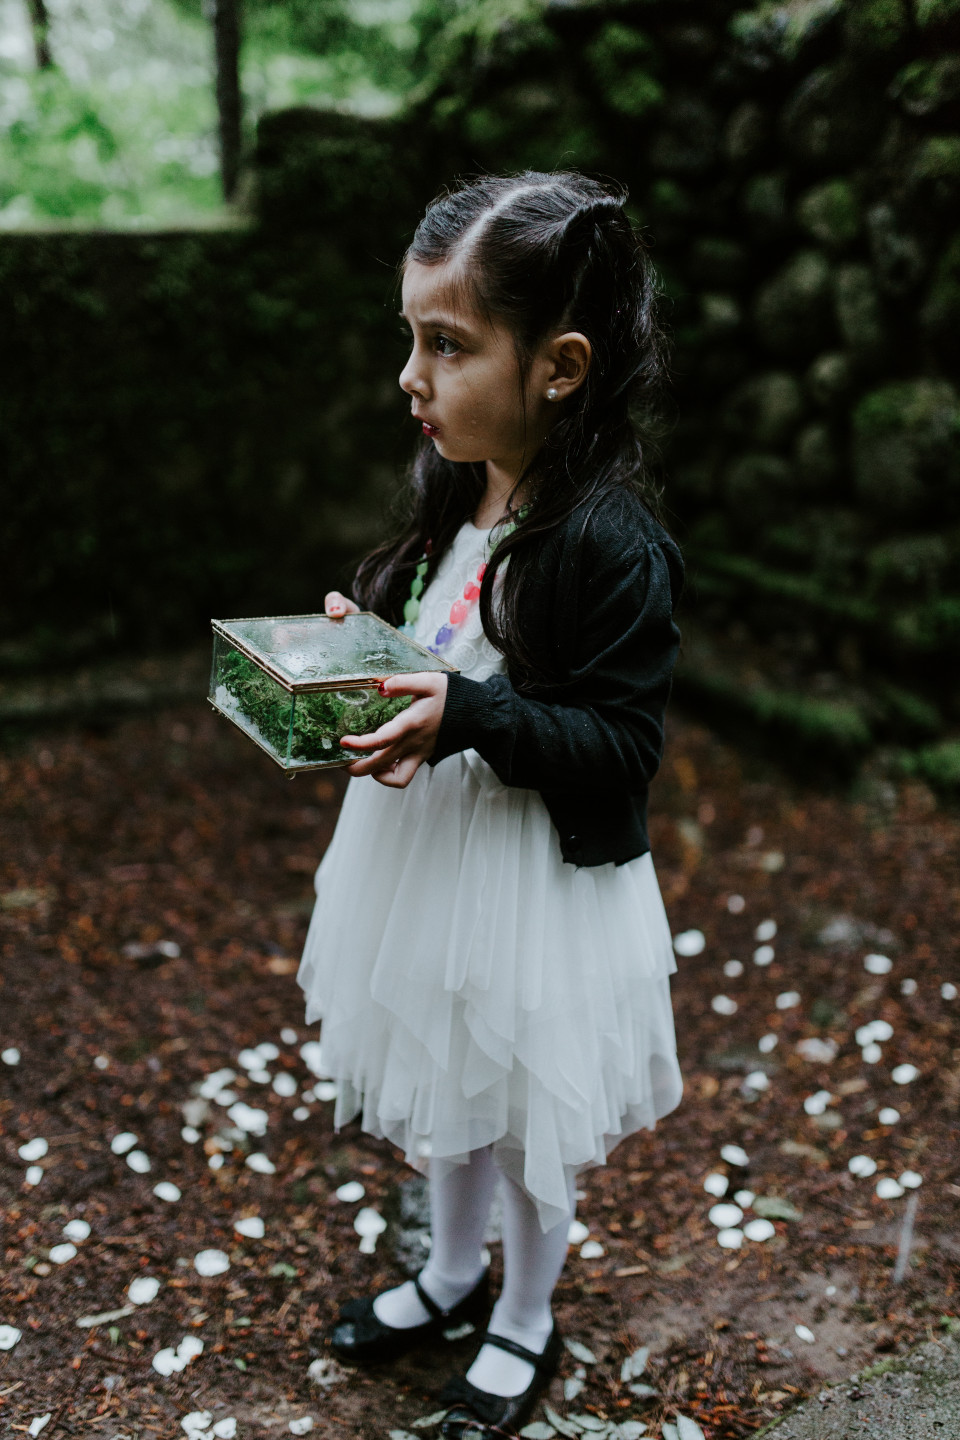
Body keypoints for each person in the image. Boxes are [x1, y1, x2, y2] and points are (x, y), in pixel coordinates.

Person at [297, 170, 685, 1437]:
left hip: (537, 882)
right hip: (431, 859)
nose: (412, 376)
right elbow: (439, 647)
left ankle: (525, 1314)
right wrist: (368, 656)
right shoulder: (454, 490)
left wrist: (462, 713)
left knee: (527, 1109)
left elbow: (620, 744)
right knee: (442, 1081)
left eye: (446, 344)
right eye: (411, 339)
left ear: (559, 367)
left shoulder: (608, 542)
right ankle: (452, 1277)